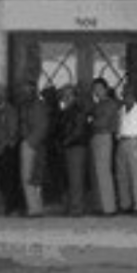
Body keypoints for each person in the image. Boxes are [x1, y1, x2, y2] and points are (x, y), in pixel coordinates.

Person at [0, 84, 24, 216]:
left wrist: (8, 144)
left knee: (9, 180)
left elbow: (13, 130)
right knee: (2, 179)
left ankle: (11, 207)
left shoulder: (9, 110)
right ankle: (7, 206)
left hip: (6, 150)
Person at [116, 85, 137, 215]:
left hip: (134, 141)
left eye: (129, 94)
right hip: (122, 141)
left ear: (134, 96)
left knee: (136, 175)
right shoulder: (121, 110)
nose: (126, 97)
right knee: (122, 175)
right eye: (124, 94)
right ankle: (126, 204)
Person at [57, 85, 90, 216]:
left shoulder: (77, 110)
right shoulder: (66, 110)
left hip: (76, 146)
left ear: (75, 96)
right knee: (69, 178)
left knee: (76, 179)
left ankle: (77, 208)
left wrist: (65, 142)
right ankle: (71, 207)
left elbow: (78, 130)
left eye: (69, 94)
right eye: (64, 95)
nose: (66, 97)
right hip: (69, 146)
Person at [19, 81, 50, 217]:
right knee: (32, 177)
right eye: (24, 89)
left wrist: (30, 142)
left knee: (29, 176)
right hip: (31, 141)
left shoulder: (37, 105)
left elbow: (42, 126)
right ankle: (36, 207)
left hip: (32, 143)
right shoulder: (27, 105)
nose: (25, 92)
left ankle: (34, 209)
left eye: (28, 89)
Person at [89, 77, 119, 216]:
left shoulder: (109, 104)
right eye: (95, 88)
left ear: (106, 89)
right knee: (97, 172)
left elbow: (102, 122)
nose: (97, 91)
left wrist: (91, 121)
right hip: (97, 137)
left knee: (103, 172)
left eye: (99, 88)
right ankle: (100, 205)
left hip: (104, 136)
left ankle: (109, 207)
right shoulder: (98, 104)